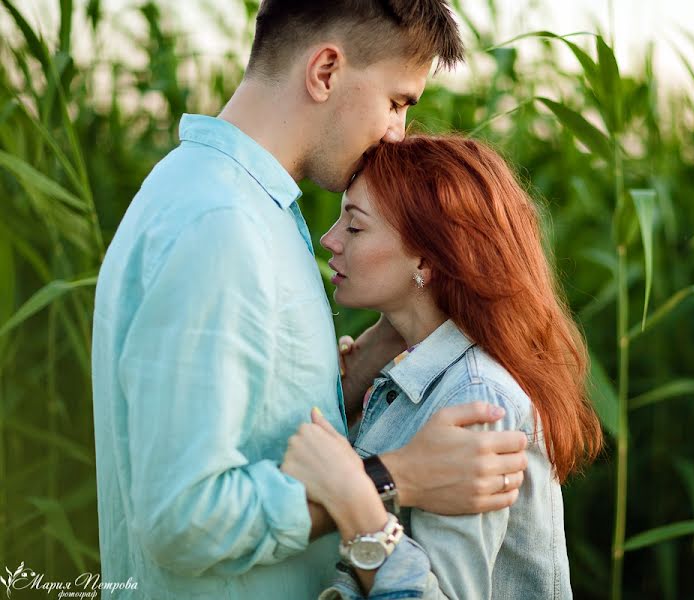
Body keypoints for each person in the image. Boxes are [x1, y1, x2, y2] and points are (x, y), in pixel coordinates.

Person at [91, 2, 528, 599]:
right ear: (325, 71)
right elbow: (181, 519)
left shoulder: (238, 204)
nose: (398, 132)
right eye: (397, 102)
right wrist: (393, 479)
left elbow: (250, 428)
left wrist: (356, 372)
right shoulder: (219, 225)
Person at [280, 135, 604, 599]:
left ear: (427, 258)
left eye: (354, 227)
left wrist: (357, 501)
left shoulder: (475, 401)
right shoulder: (404, 373)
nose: (329, 240)